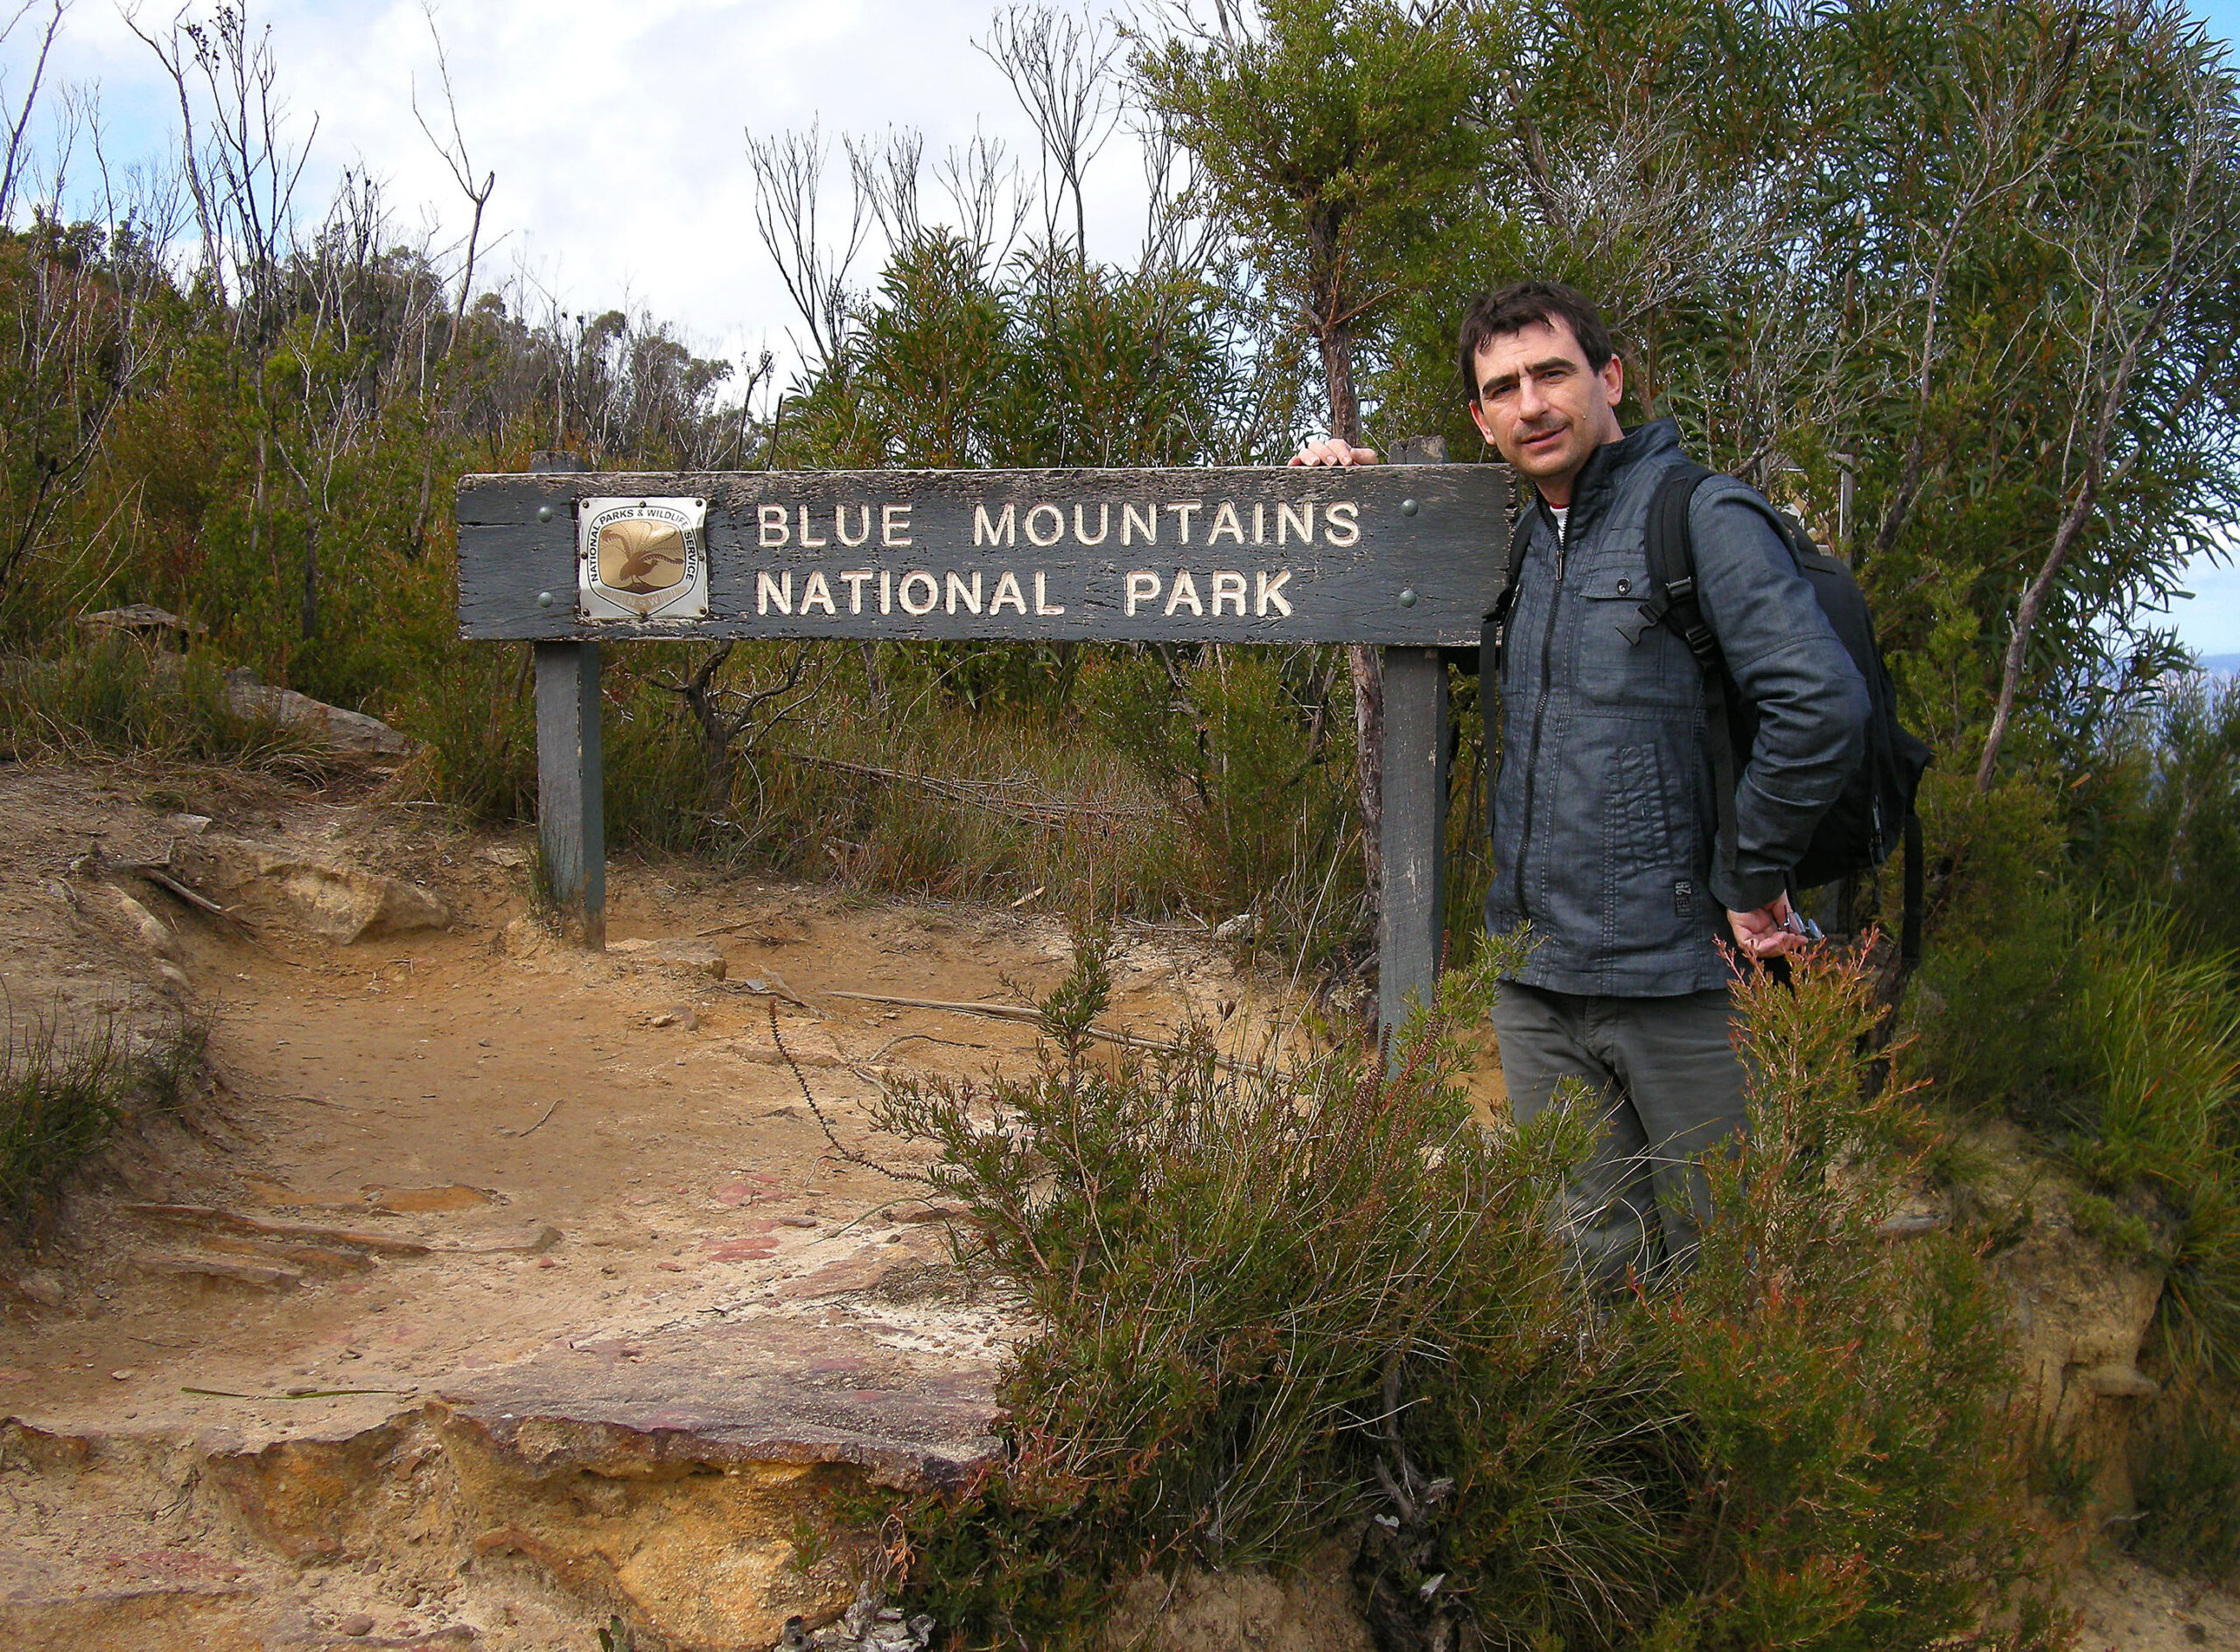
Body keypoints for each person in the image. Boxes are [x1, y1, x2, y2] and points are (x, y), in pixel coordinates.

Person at [1293, 281, 1868, 1284]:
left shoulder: (1698, 516)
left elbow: (1819, 704)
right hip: (1538, 989)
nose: (1532, 404)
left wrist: (1749, 874)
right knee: (1589, 1278)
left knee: (1728, 1280)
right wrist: (1373, 508)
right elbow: (1489, 651)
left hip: (1685, 984)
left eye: (1551, 373)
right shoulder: (1522, 539)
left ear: (1609, 378)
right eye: (1502, 389)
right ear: (1481, 420)